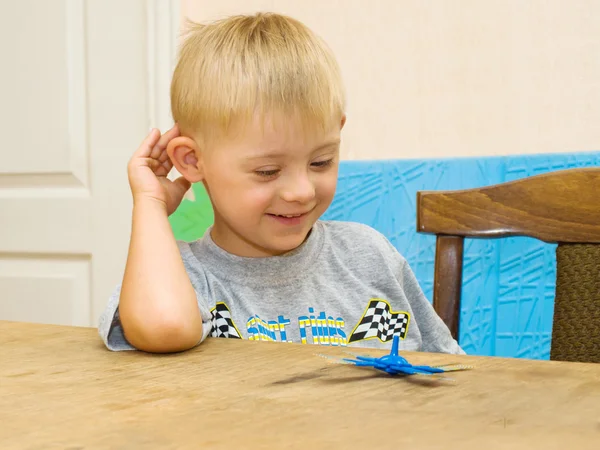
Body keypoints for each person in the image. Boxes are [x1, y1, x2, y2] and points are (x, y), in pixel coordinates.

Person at [98, 12, 464, 355]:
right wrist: (150, 202)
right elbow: (164, 326)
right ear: (192, 161)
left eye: (321, 162)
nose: (302, 191)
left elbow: (457, 373)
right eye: (268, 171)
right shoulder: (184, 277)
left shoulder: (369, 257)